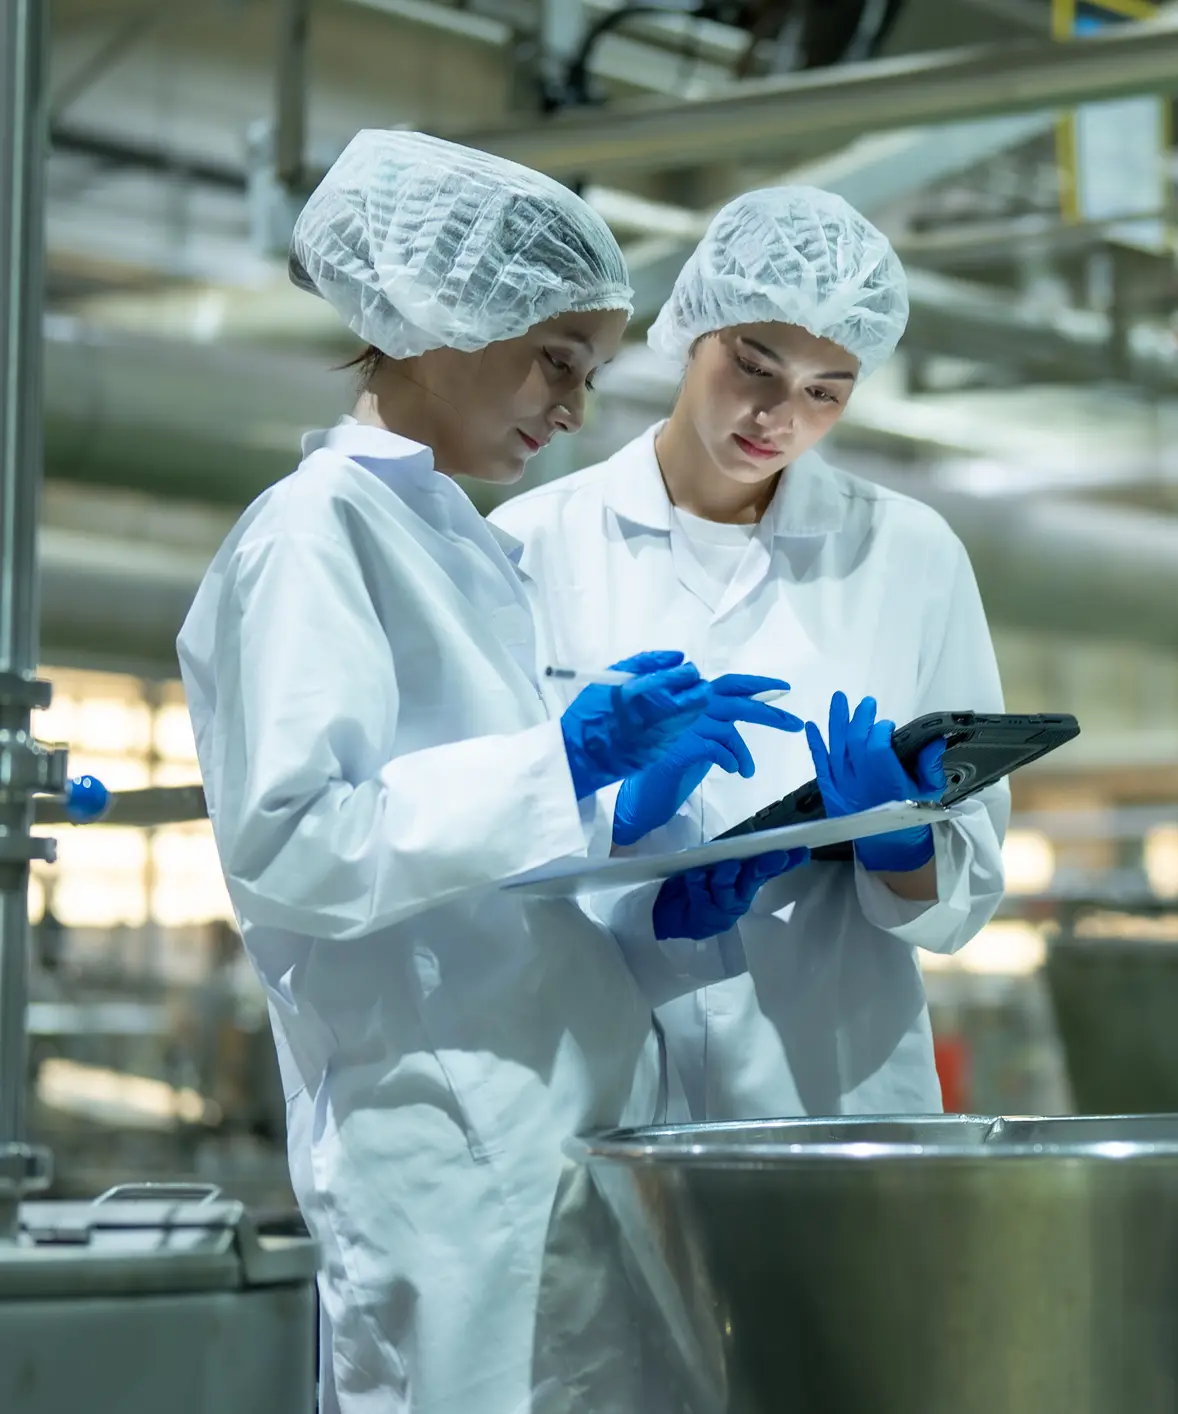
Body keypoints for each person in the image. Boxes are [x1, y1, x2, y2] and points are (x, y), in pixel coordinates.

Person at [176, 130, 802, 1414]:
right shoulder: (313, 535)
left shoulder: (452, 541)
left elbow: (488, 872)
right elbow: (297, 845)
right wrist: (561, 758)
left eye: (590, 372)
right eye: (556, 360)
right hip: (448, 1157)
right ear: (439, 318)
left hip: (556, 1122)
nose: (573, 408)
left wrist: (658, 889)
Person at [493, 186, 1007, 1120]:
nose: (778, 416)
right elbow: (471, 837)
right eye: (754, 366)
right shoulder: (532, 543)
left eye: (824, 393)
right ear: (694, 328)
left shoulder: (909, 555)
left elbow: (968, 882)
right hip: (591, 1079)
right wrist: (625, 827)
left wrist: (899, 842)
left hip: (833, 1089)